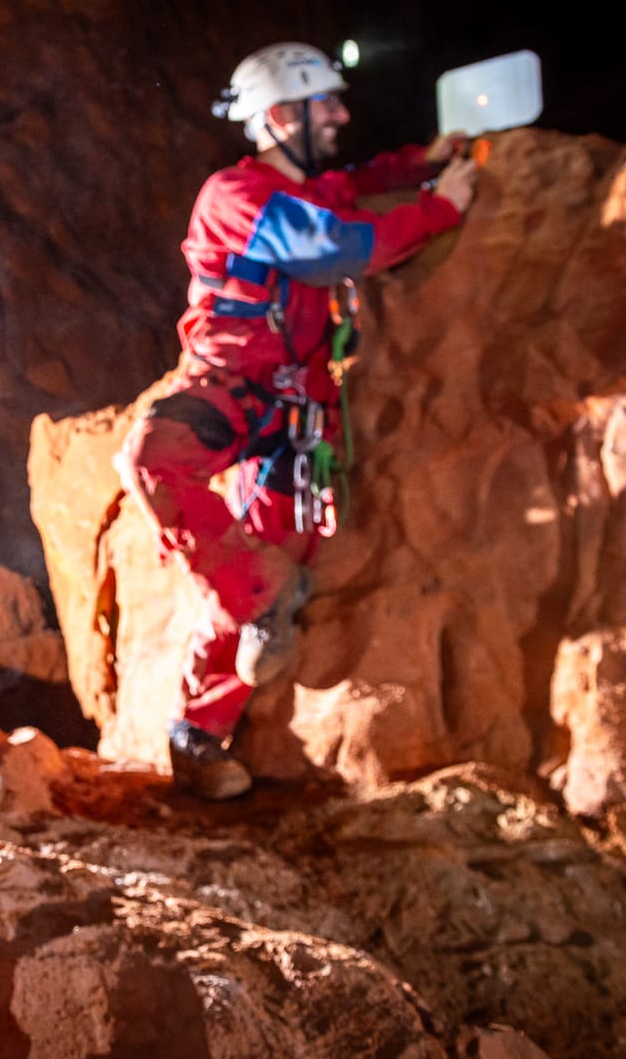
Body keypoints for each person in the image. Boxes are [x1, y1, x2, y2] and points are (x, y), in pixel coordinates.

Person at [117, 41, 478, 800]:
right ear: (281, 117)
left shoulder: (313, 189)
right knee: (158, 465)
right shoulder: (236, 195)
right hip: (230, 389)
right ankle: (232, 654)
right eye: (328, 106)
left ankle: (200, 735)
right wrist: (444, 205)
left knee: (255, 566)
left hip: (295, 420)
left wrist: (424, 162)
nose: (343, 115)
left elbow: (359, 186)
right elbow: (339, 246)